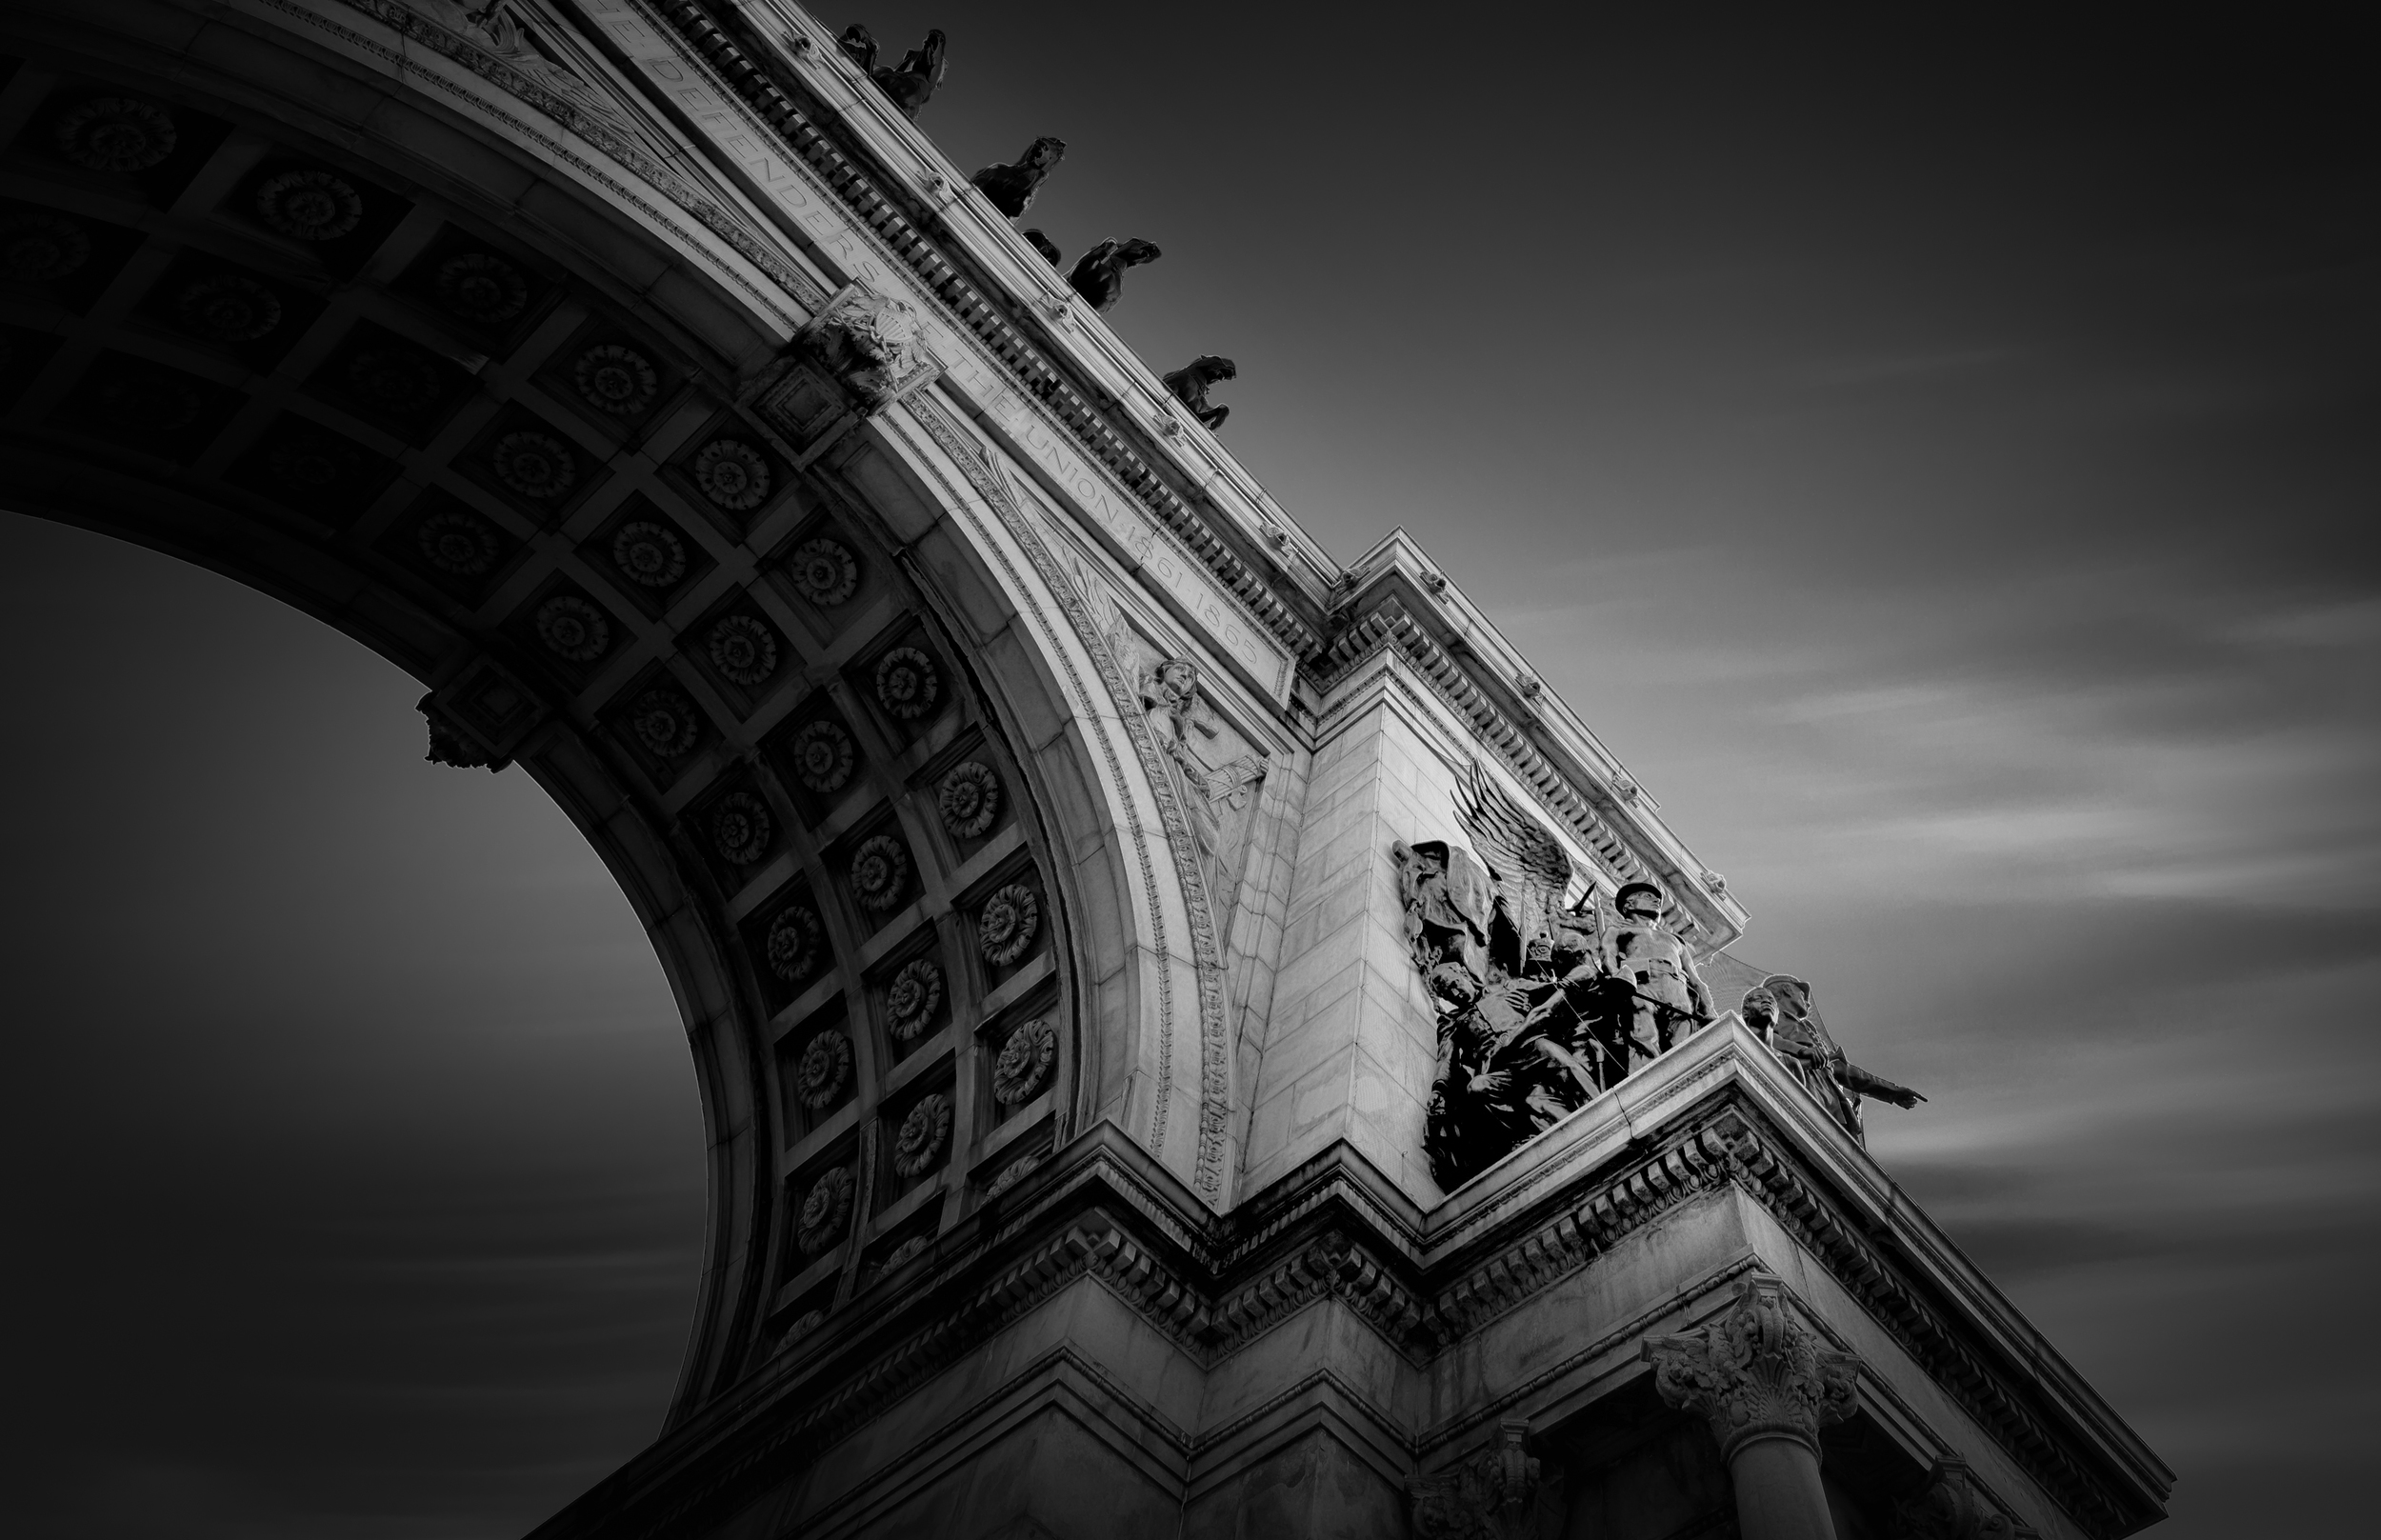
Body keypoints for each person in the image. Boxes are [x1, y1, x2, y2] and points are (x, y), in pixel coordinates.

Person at [1740, 975, 1924, 1143]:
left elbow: (1843, 1070)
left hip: (1834, 1102)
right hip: (1803, 1087)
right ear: (1788, 990)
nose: (1808, 1003)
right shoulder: (1768, 1016)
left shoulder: (1807, 1028)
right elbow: (1763, 1037)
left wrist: (1892, 1091)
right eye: (1802, 994)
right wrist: (1801, 1050)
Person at [1603, 882, 1712, 1072]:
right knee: (1644, 1034)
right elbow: (1607, 955)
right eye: (1647, 897)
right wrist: (1616, 977)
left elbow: (1695, 979)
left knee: (1683, 1037)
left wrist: (1709, 1010)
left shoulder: (1676, 941)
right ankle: (1644, 1078)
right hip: (1640, 982)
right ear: (1629, 905)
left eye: (1657, 899)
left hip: (1676, 984)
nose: (1656, 901)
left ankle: (1686, 1077)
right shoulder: (1619, 930)